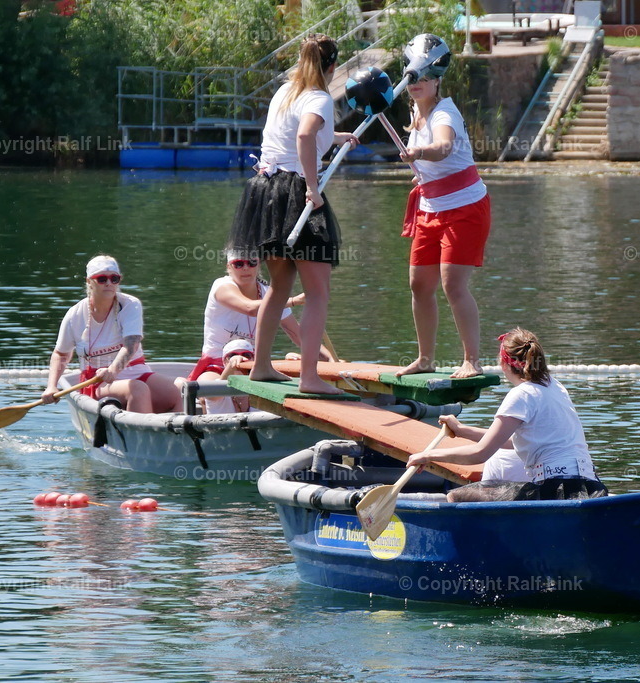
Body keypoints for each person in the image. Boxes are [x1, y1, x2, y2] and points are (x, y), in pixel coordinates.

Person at [228, 33, 358, 395]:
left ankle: (263, 367)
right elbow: (303, 136)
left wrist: (337, 136)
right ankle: (309, 377)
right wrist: (313, 189)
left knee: (280, 285)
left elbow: (299, 134)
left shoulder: (285, 92)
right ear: (332, 66)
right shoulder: (319, 96)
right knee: (317, 293)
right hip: (295, 193)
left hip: (265, 191)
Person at [407, 328, 606, 502]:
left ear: (504, 364)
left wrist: (427, 455)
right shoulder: (555, 387)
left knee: (457, 496)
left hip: (555, 491)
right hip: (592, 487)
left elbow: (480, 453)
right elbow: (515, 442)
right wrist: (461, 430)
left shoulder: (521, 394)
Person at [396, 34, 491, 380]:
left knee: (453, 284)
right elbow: (434, 165)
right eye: (412, 77)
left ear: (437, 81)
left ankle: (472, 360)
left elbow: (445, 147)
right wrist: (422, 174)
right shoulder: (415, 115)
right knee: (419, 284)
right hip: (430, 207)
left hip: (465, 207)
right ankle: (425, 358)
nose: (417, 83)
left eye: (424, 78)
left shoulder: (444, 113)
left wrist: (420, 154)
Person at [186, 250, 332, 411]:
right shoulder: (221, 286)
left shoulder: (269, 293)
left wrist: (330, 360)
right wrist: (294, 301)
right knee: (209, 391)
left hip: (253, 364)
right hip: (216, 364)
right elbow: (249, 308)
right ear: (229, 266)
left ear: (259, 264)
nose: (245, 268)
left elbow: (296, 333)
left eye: (251, 263)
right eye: (239, 264)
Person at [42, 255, 179, 413]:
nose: (109, 283)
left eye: (114, 278)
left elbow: (131, 345)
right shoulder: (75, 315)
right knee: (137, 389)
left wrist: (113, 370)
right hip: (97, 379)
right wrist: (51, 386)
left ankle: (181, 436)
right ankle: (139, 435)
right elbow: (61, 354)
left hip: (135, 371)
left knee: (181, 388)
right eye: (101, 279)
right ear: (89, 282)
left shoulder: (130, 305)